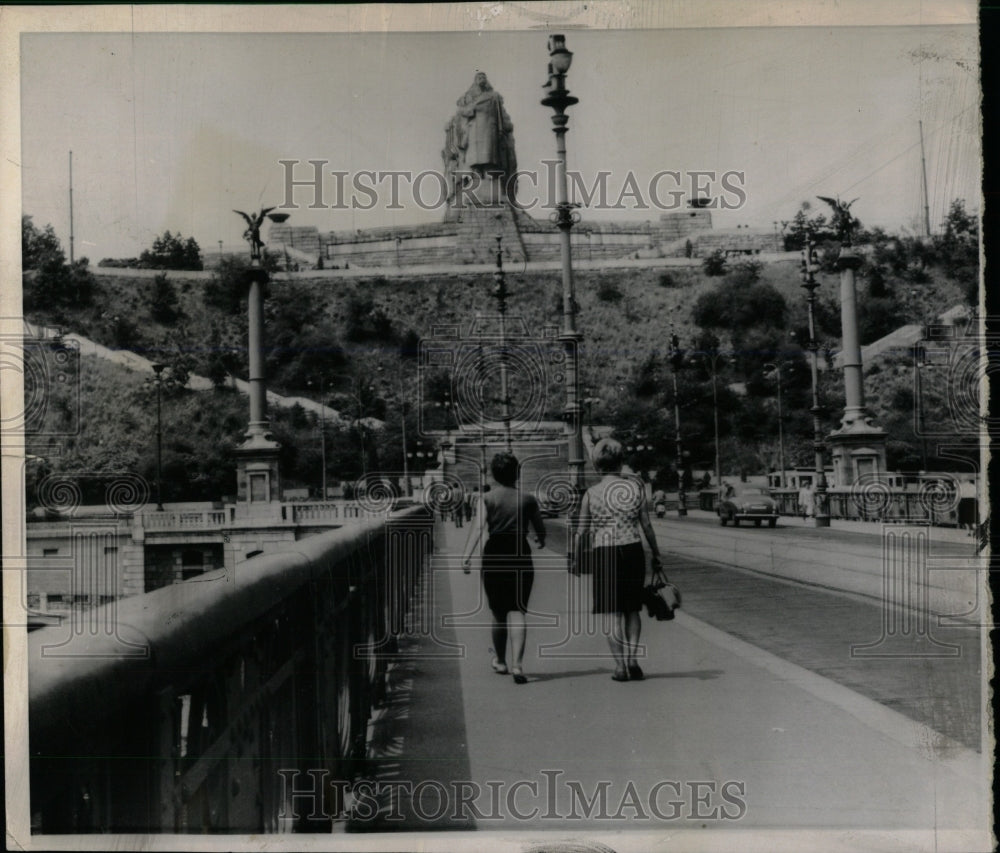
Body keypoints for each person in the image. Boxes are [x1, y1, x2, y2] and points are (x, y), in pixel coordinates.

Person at [577, 438, 665, 682]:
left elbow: (582, 531)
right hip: (632, 550)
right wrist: (656, 554)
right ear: (620, 462)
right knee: (632, 610)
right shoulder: (634, 490)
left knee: (612, 614)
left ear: (596, 465)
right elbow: (646, 526)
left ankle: (619, 667)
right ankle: (633, 660)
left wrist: (575, 557)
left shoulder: (591, 493)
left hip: (605, 553)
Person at [461, 453, 545, 684]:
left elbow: (478, 529)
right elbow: (540, 530)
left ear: (494, 475)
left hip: (495, 552)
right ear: (517, 473)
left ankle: (500, 661)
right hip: (519, 551)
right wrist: (541, 540)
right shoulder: (527, 499)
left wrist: (466, 557)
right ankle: (518, 665)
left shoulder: (487, 499)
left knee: (499, 614)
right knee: (518, 610)